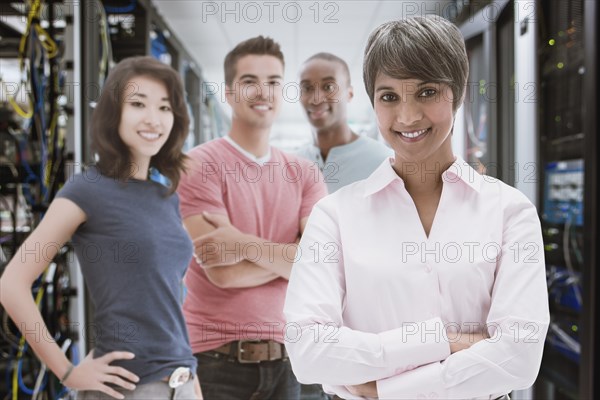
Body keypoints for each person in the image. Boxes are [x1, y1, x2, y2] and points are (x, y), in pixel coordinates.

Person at [284, 15, 549, 399]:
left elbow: (520, 357)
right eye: (389, 96)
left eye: (426, 92)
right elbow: (308, 352)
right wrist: (442, 339)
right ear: (373, 102)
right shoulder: (335, 217)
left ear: (456, 94)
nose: (407, 116)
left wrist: (387, 390)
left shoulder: (510, 212)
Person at [0, 56, 202, 399]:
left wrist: (192, 383)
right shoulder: (87, 190)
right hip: (128, 388)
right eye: (138, 104)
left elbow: (165, 299)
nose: (154, 119)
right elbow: (11, 284)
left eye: (165, 107)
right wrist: (67, 371)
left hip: (182, 380)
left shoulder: (166, 196)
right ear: (113, 113)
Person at [177, 36, 327, 399]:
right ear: (229, 93)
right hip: (216, 361)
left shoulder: (305, 173)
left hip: (289, 361)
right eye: (249, 82)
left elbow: (320, 264)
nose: (264, 91)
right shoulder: (198, 166)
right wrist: (291, 256)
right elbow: (222, 271)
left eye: (273, 81)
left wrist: (240, 243)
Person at [297, 52, 392, 193]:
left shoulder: (384, 162)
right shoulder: (291, 165)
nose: (316, 99)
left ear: (349, 93)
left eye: (328, 87)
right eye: (307, 88)